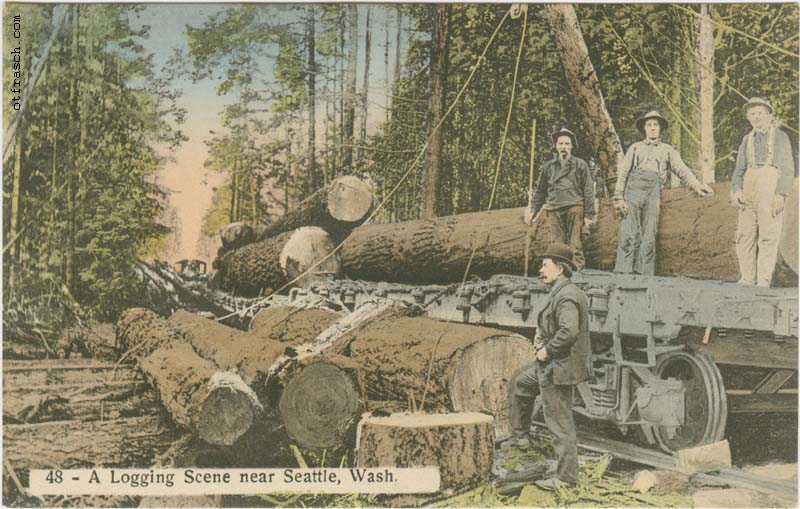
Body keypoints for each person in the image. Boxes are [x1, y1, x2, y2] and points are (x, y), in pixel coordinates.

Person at [508, 243, 592, 490]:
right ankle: (520, 437)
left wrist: (547, 349)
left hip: (559, 366)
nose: (540, 270)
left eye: (545, 265)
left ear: (561, 269)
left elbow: (569, 331)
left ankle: (566, 479)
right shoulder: (559, 290)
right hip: (551, 364)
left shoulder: (567, 295)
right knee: (521, 382)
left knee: (559, 422)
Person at [613, 110, 715, 275]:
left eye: (655, 125)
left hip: (653, 192)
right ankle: (623, 272)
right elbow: (623, 173)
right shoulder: (635, 148)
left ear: (660, 129)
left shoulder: (667, 150)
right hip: (633, 190)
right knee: (629, 233)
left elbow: (682, 170)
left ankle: (643, 274)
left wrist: (697, 185)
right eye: (649, 125)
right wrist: (618, 197)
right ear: (644, 128)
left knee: (649, 234)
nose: (652, 128)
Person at [730, 97, 795, 287]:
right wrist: (736, 190)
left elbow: (788, 168)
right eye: (752, 113)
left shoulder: (780, 137)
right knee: (745, 235)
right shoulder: (746, 139)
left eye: (760, 112)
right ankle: (747, 277)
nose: (756, 117)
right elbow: (739, 169)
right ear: (748, 117)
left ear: (768, 115)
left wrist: (780, 194)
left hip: (770, 184)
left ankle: (763, 279)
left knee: (768, 234)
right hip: (749, 185)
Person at [526, 127, 596, 270]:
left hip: (575, 207)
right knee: (557, 245)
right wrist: (533, 210)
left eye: (566, 144)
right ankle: (560, 273)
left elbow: (588, 190)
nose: (563, 147)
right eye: (560, 144)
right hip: (554, 209)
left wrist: (589, 214)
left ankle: (576, 272)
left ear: (571, 146)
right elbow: (540, 191)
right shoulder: (548, 167)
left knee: (575, 244)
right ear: (556, 146)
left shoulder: (580, 164)